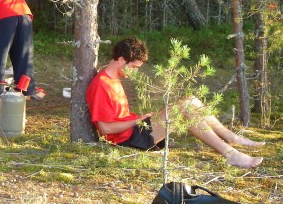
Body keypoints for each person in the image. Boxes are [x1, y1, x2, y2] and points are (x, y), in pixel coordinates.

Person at [86, 37, 264, 169]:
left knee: (191, 100)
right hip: (129, 138)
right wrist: (138, 120)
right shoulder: (102, 84)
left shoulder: (113, 78)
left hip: (135, 129)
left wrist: (140, 120)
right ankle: (230, 154)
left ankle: (231, 137)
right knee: (185, 108)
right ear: (121, 60)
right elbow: (105, 129)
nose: (134, 73)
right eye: (133, 68)